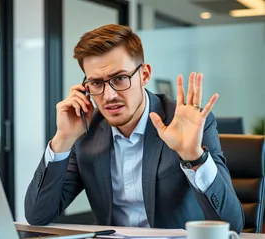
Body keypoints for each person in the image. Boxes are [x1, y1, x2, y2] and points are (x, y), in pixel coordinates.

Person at [24, 24, 244, 233]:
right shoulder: (85, 131)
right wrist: (62, 139)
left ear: (144, 75)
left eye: (120, 78)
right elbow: (38, 216)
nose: (109, 96)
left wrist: (194, 157)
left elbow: (232, 224)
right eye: (97, 83)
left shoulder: (187, 124)